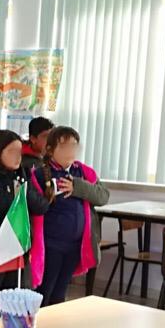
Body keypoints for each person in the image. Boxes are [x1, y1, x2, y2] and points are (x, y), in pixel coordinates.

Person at [0, 130, 50, 321]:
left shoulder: (20, 175)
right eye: (12, 152)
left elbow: (40, 206)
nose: (18, 157)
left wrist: (23, 188)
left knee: (11, 300)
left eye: (19, 152)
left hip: (16, 247)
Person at [29, 126, 110, 306]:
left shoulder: (83, 172)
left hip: (75, 244)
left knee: (61, 292)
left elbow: (103, 196)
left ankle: (56, 322)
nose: (70, 151)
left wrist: (77, 187)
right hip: (51, 244)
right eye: (64, 146)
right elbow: (35, 207)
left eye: (74, 146)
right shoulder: (40, 174)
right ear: (50, 149)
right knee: (45, 291)